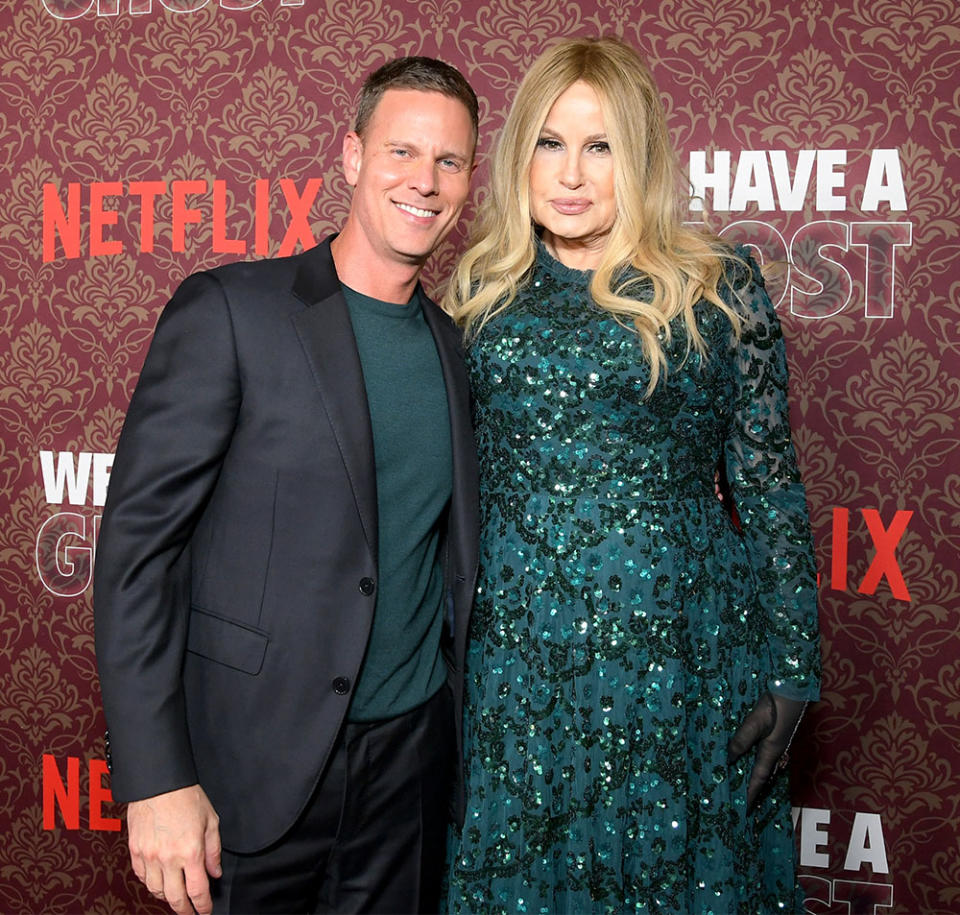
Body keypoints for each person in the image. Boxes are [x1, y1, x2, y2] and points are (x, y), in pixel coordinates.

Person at [93, 56, 480, 915]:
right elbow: (135, 553)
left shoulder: (457, 350)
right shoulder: (231, 310)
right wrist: (156, 779)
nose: (424, 181)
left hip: (408, 771)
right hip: (251, 770)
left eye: (449, 161)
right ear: (351, 156)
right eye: (402, 151)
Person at [443, 37, 820, 914]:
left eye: (601, 145)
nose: (571, 173)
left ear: (640, 156)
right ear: (517, 154)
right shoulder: (477, 291)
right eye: (549, 141)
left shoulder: (715, 282)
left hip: (681, 663)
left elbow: (769, 488)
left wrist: (796, 667)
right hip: (516, 672)